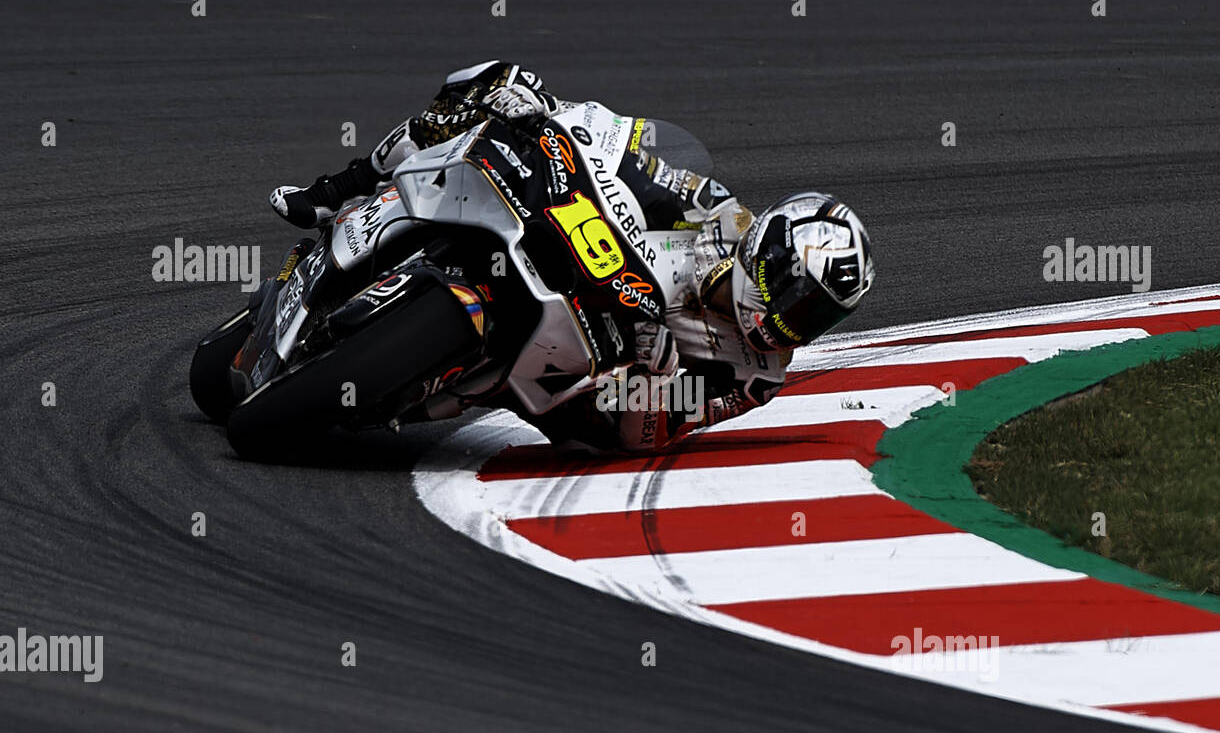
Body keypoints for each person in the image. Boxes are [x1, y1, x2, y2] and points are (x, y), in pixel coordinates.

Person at [269, 60, 875, 452]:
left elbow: (650, 438)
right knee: (497, 79)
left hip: (581, 390)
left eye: (812, 318)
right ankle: (334, 195)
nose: (785, 324)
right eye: (794, 300)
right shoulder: (709, 209)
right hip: (572, 254)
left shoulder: (756, 375)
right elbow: (625, 150)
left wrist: (656, 382)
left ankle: (428, 374)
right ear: (766, 250)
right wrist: (554, 116)